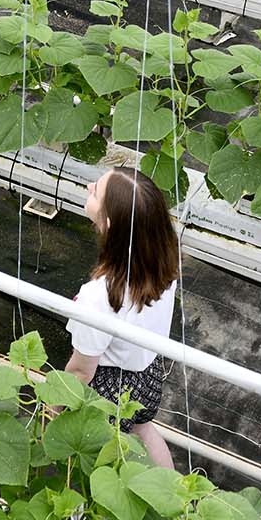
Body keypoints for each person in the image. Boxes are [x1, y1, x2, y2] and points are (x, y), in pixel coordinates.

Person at [64, 168, 180, 470]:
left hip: (110, 387)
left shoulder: (99, 296)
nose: (88, 186)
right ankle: (177, 502)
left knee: (96, 456)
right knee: (142, 429)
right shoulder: (165, 257)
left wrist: (52, 410)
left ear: (110, 224)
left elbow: (80, 371)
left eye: (95, 192)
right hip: (148, 373)